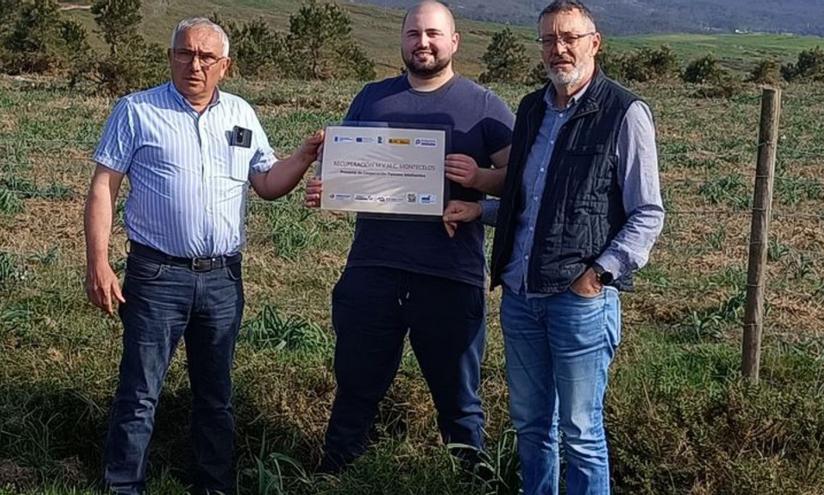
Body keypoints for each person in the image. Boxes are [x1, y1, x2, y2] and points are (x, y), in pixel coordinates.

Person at [84, 17, 321, 495]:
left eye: (206, 57)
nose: (195, 64)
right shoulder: (136, 111)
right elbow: (103, 188)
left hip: (222, 279)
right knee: (139, 393)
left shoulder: (241, 114)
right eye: (185, 53)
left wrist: (306, 156)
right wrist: (99, 261)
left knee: (216, 396)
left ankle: (214, 486)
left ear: (224, 65)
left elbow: (267, 182)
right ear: (171, 57)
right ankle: (124, 485)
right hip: (155, 275)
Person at [443, 1, 665, 493]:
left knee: (581, 432)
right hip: (521, 295)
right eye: (548, 39)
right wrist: (481, 209)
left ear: (594, 42)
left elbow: (648, 213)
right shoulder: (531, 109)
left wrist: (597, 275)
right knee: (531, 426)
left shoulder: (624, 113)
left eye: (568, 38)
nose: (558, 49)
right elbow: (529, 201)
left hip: (577, 300)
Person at [304, 0, 514, 473]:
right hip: (372, 268)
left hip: (449, 274)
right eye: (414, 34)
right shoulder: (372, 97)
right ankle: (335, 475)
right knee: (355, 385)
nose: (423, 42)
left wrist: (480, 180)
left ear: (454, 42)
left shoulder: (484, 106)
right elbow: (344, 164)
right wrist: (330, 189)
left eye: (434, 34)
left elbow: (521, 181)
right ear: (401, 41)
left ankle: (470, 477)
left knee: (459, 398)